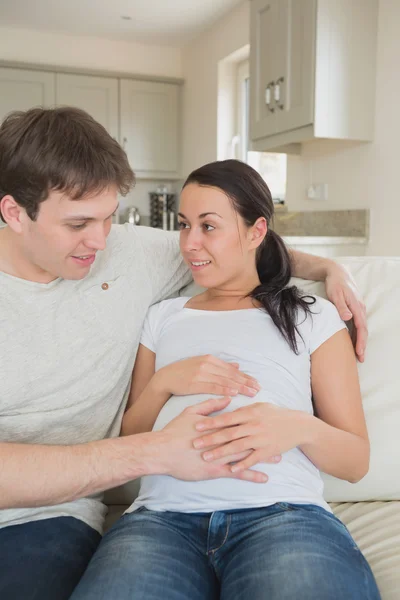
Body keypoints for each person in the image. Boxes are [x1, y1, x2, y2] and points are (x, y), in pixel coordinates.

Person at [0, 108, 368, 600]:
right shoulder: (165, 315)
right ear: (13, 214)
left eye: (109, 218)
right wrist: (163, 390)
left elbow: (238, 252)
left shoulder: (309, 314)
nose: (101, 240)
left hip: (277, 513)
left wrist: (330, 268)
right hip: (159, 520)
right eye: (80, 223)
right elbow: (136, 427)